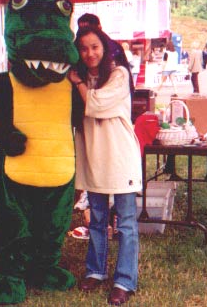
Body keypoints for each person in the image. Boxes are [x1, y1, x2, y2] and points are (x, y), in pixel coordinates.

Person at [68, 26, 142, 306]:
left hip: (119, 155)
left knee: (125, 222)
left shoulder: (119, 74)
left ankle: (124, 280)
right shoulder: (82, 75)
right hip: (92, 156)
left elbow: (97, 105)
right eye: (83, 48)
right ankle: (96, 271)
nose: (89, 53)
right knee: (97, 219)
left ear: (105, 46)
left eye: (94, 47)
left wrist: (77, 83)